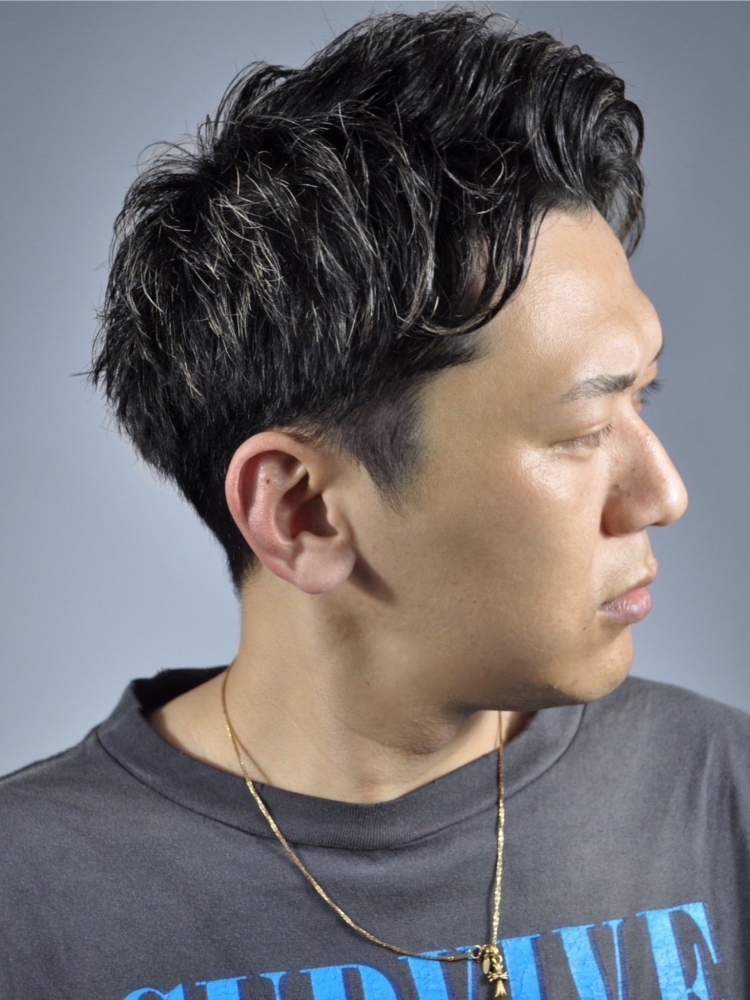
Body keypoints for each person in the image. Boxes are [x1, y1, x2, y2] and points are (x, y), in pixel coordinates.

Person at [1, 8, 748, 999]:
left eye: (641, 397)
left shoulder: (723, 793)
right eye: (581, 429)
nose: (664, 494)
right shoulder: (29, 909)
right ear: (302, 513)